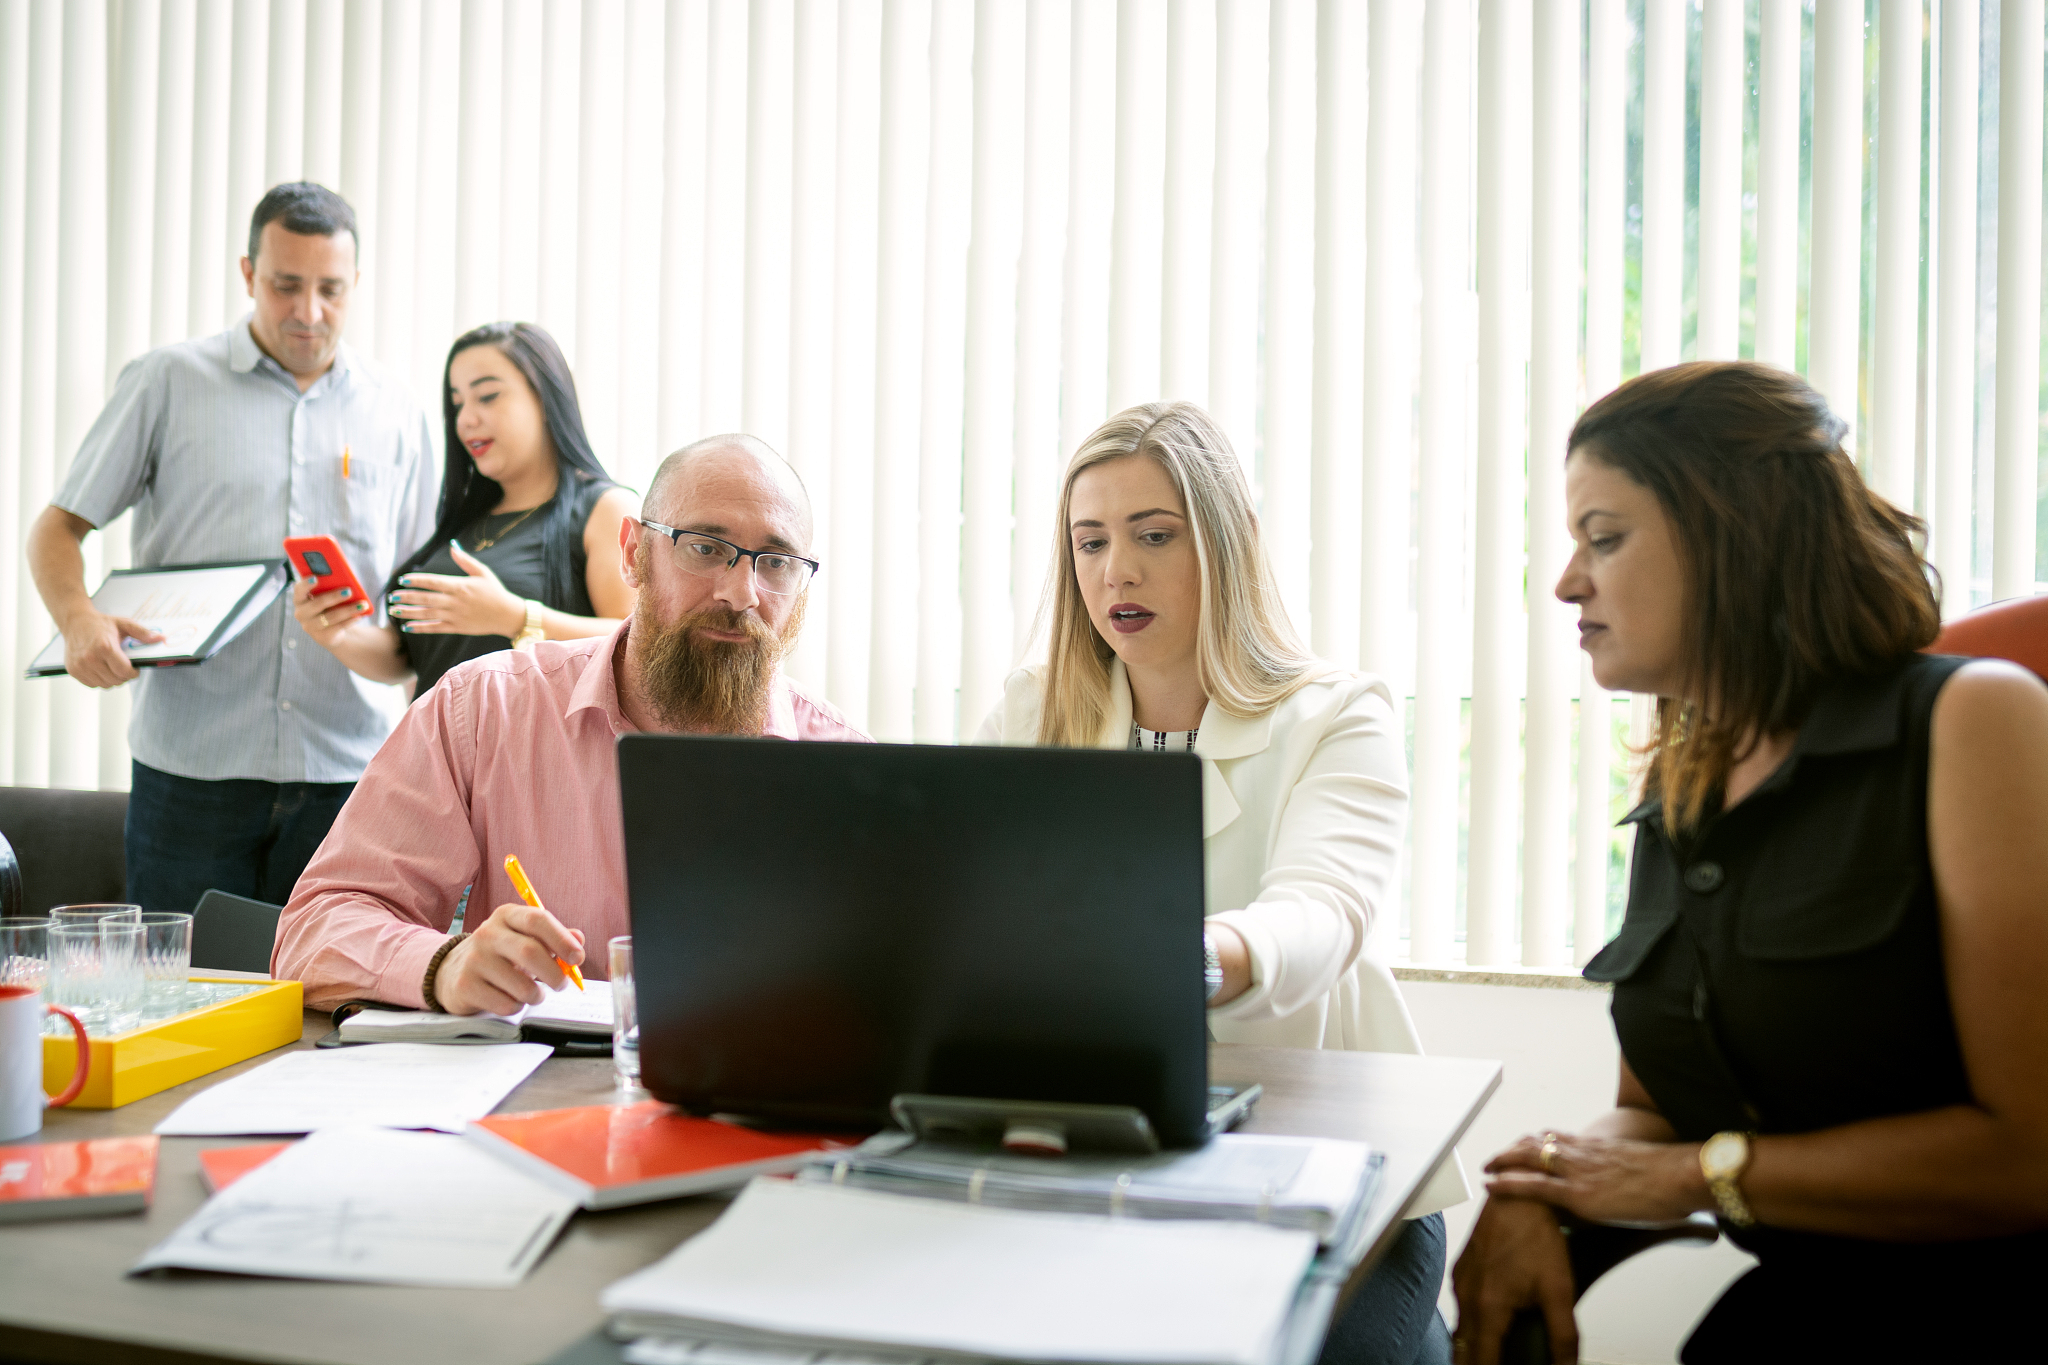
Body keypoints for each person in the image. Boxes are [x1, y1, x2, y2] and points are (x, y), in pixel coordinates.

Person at [1450, 363, 2048, 1365]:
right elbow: (1651, 1117)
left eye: (1604, 537)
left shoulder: (1973, 718)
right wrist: (1537, 1187)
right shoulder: (1684, 785)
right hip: (1801, 1308)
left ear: (1732, 535)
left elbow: (2028, 1154)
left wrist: (1698, 1175)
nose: (1566, 582)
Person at [976, 402, 1465, 1365]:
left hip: (1332, 1170)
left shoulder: (1336, 715)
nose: (1117, 570)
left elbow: (1321, 910)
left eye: (1155, 535)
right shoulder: (1031, 711)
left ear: (1228, 541)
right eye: (1091, 541)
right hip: (1102, 1158)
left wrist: (1185, 955)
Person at [273, 434, 866, 1015]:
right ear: (633, 553)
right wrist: (445, 966)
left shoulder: (849, 769)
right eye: (706, 548)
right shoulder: (481, 710)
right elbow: (316, 928)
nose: (741, 593)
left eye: (777, 563)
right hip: (530, 1076)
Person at [26, 183, 436, 915]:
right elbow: (57, 528)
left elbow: (414, 608)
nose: (308, 312)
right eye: (285, 285)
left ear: (356, 284)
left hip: (347, 776)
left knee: (328, 984)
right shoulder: (167, 381)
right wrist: (79, 620)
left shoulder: (399, 413)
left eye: (330, 290)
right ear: (248, 274)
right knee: (179, 982)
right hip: (191, 775)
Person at [293, 321, 638, 696]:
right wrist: (339, 635)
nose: (465, 419)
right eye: (457, 404)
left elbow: (638, 641)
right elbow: (404, 657)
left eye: (487, 396)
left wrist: (517, 618)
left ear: (545, 399)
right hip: (436, 734)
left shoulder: (604, 509)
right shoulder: (462, 521)